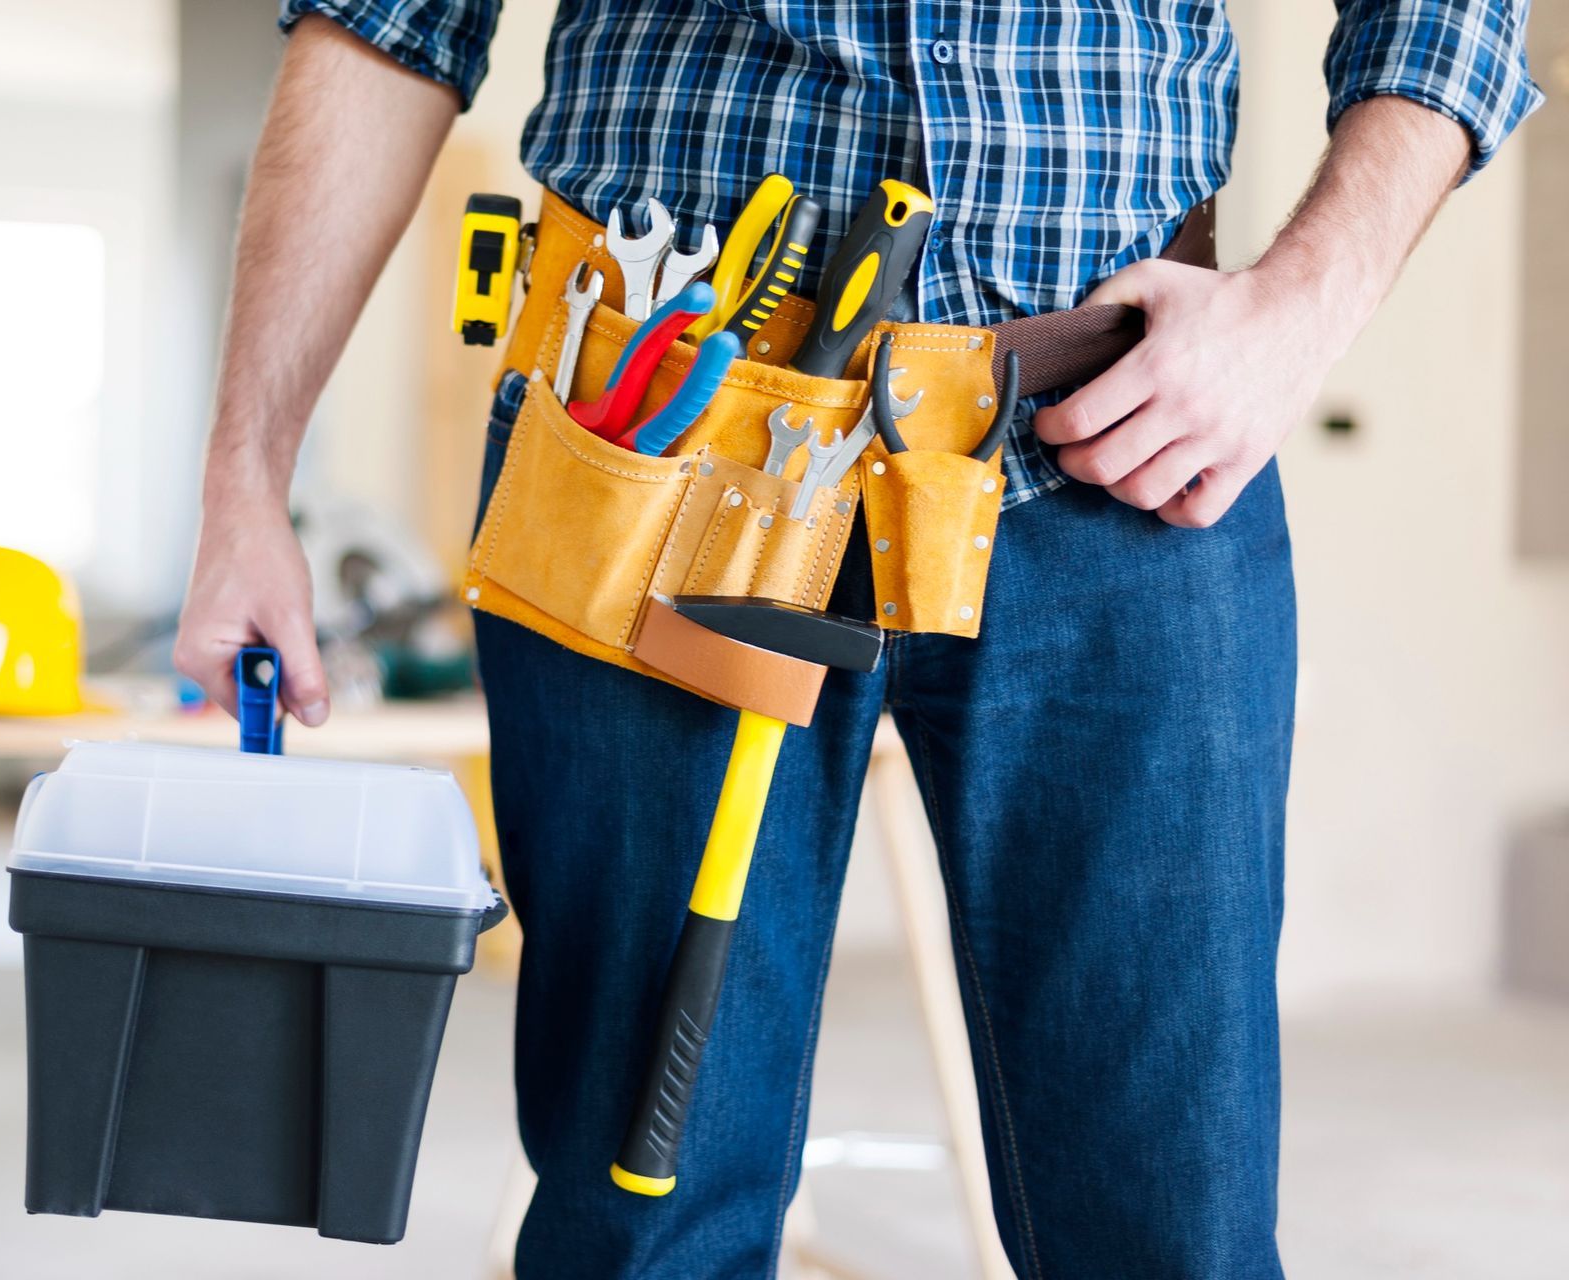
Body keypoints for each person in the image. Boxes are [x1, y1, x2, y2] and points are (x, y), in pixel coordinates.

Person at [174, 3, 1538, 1275]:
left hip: (1130, 448)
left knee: (1168, 1220)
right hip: (656, 464)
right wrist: (245, 477)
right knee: (645, 1210)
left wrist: (1303, 309)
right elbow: (386, 19)